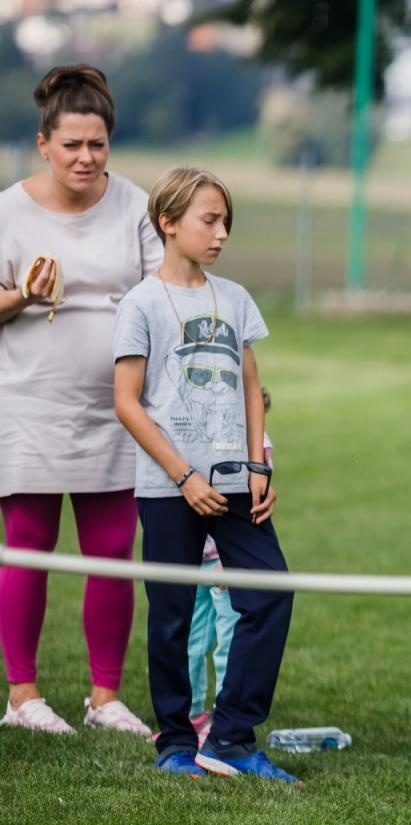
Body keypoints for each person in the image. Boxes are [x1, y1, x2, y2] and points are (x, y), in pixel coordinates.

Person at [112, 166, 296, 782]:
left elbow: (250, 384)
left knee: (270, 592)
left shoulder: (235, 298)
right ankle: (174, 742)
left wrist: (257, 463)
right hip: (170, 487)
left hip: (237, 483)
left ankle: (232, 736)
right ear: (168, 222)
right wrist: (183, 475)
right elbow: (127, 403)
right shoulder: (141, 303)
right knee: (171, 613)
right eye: (209, 221)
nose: (221, 234)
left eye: (226, 223)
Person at [0, 64, 161, 739]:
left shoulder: (136, 207)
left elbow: (163, 298)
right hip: (29, 407)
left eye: (98, 144)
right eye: (71, 144)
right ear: (44, 144)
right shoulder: (9, 210)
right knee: (29, 546)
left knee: (112, 551)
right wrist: (25, 295)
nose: (86, 158)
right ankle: (22, 696)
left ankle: (105, 697)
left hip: (116, 412)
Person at [184, 388, 273, 749]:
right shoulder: (195, 436)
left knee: (227, 643)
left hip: (224, 562)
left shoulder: (257, 448)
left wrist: (229, 559)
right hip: (195, 560)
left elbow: (255, 500)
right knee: (192, 640)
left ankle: (223, 716)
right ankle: (191, 714)